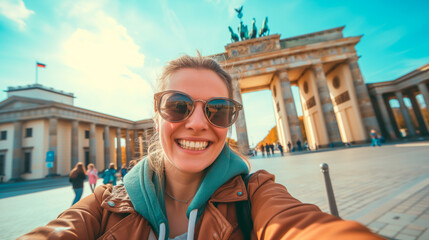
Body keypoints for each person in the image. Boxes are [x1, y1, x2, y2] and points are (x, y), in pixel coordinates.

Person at [20, 53, 383, 239]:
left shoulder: (257, 196)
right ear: (156, 114)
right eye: (178, 105)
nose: (197, 122)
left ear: (230, 121)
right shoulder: (103, 205)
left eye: (218, 110)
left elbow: (301, 227)